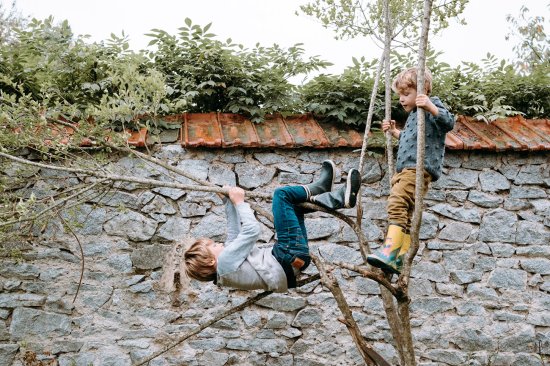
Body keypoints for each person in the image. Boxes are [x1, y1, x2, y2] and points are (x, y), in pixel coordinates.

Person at [161, 160, 361, 293]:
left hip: (294, 262)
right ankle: (336, 197)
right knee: (281, 196)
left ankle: (324, 192)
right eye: (213, 246)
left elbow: (233, 234)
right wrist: (239, 202)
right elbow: (251, 231)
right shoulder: (226, 263)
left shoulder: (225, 270)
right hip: (287, 255)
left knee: (294, 208)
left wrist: (227, 202)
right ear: (211, 262)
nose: (219, 244)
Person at [367, 67, 455, 275]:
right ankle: (397, 259)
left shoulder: (431, 109)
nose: (401, 99)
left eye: (406, 94)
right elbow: (411, 141)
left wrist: (430, 106)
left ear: (422, 91)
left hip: (417, 170)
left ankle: (389, 251)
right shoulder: (415, 116)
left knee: (396, 203)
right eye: (400, 95)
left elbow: (448, 122)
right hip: (405, 170)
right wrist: (395, 132)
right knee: (404, 213)